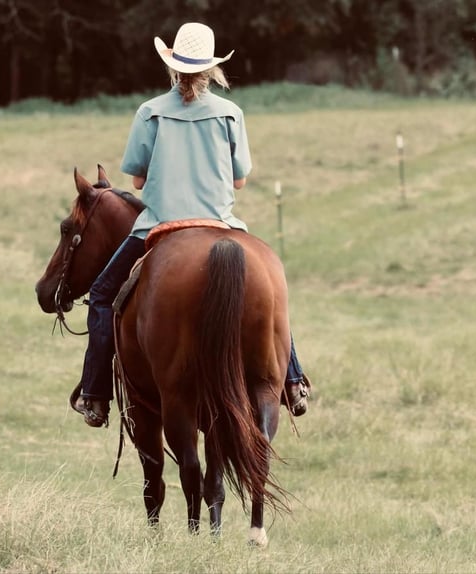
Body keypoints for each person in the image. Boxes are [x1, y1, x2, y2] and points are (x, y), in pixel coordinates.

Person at [73, 22, 311, 428]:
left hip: (159, 227)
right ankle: (291, 380)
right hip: (221, 224)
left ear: (171, 66)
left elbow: (136, 181)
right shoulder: (231, 113)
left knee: (100, 295)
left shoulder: (149, 112)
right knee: (268, 291)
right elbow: (239, 180)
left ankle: (95, 394)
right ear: (212, 70)